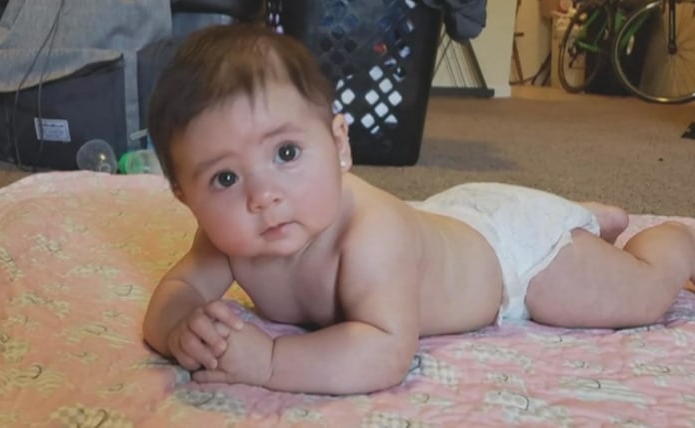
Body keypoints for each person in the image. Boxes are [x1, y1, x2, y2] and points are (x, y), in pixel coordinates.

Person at [142, 23, 695, 395]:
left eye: (286, 153)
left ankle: (668, 241)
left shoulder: (369, 236)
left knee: (640, 295)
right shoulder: (227, 239)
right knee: (554, 238)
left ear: (339, 145)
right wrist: (178, 328)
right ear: (185, 196)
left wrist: (268, 362)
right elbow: (177, 294)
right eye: (225, 178)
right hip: (445, 219)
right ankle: (587, 218)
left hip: (510, 256)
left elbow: (385, 350)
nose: (263, 196)